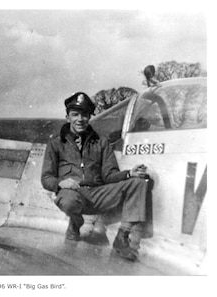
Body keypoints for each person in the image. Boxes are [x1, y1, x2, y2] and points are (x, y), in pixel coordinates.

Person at [41, 92, 149, 261]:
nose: (80, 119)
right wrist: (61, 183)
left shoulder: (101, 142)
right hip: (73, 195)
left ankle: (122, 238)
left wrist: (129, 173)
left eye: (84, 114)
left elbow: (109, 175)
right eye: (75, 114)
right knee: (68, 200)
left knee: (138, 183)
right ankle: (76, 224)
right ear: (67, 117)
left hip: (98, 194)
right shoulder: (55, 144)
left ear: (89, 116)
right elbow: (46, 178)